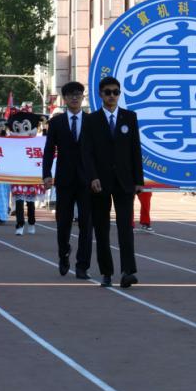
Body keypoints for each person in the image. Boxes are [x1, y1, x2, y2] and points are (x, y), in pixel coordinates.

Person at [80, 76, 143, 289]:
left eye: (116, 92)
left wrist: (138, 180)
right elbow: (86, 152)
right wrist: (92, 177)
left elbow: (135, 150)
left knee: (126, 228)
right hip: (100, 182)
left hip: (125, 182)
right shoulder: (91, 120)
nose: (112, 96)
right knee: (102, 229)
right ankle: (106, 272)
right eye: (108, 92)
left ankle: (128, 271)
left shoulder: (129, 117)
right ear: (100, 94)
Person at [42, 81, 94, 279]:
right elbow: (49, 150)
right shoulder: (56, 123)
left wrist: (97, 176)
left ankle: (82, 266)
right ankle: (63, 253)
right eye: (71, 95)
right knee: (63, 223)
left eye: (78, 94)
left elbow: (98, 151)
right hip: (64, 179)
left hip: (87, 180)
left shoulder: (91, 121)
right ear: (64, 99)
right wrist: (47, 174)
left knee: (86, 224)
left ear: (82, 98)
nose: (74, 98)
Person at [8, 111, 44, 236]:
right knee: (18, 200)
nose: (22, 132)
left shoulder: (36, 142)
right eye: (17, 129)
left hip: (30, 174)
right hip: (17, 174)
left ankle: (32, 223)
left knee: (30, 202)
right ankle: (20, 224)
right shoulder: (11, 142)